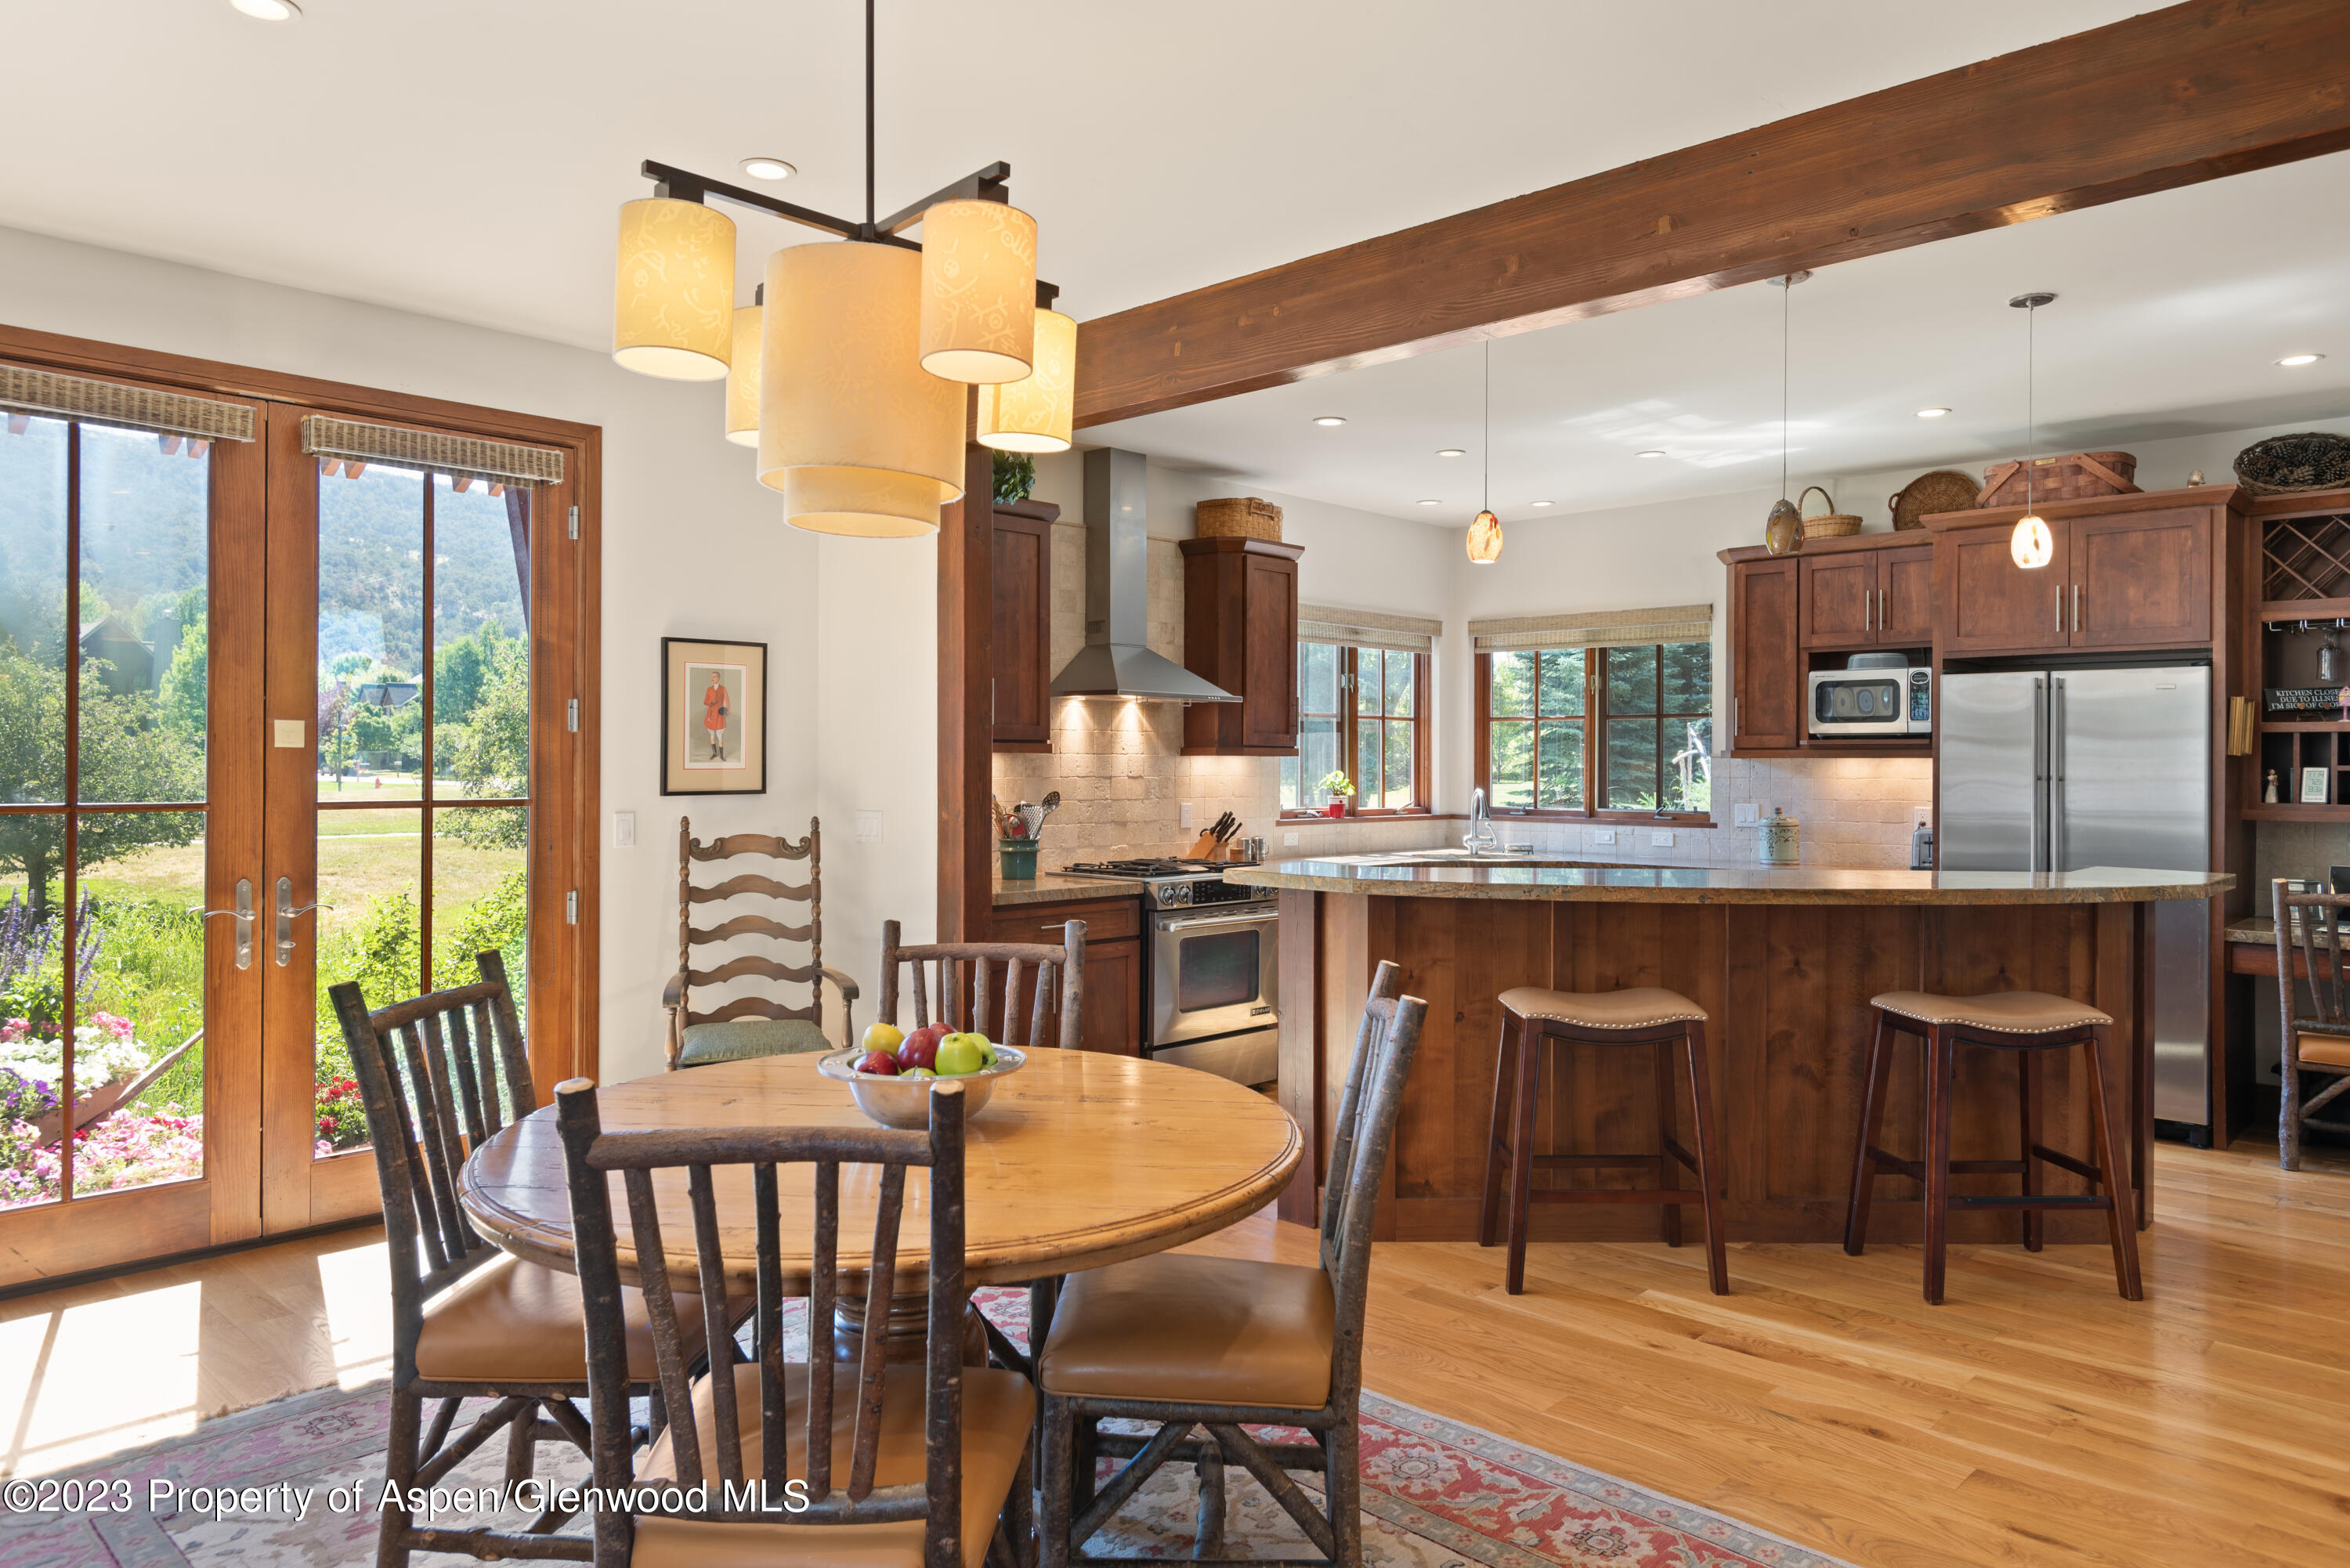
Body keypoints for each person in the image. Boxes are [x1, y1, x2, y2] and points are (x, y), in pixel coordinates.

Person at [701, 672, 728, 763]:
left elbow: (727, 702)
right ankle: (714, 753)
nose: (712, 678)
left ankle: (721, 756)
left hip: (720, 715)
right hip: (711, 715)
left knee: (720, 735)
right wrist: (711, 703)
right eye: (712, 677)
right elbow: (705, 701)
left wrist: (726, 712)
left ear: (718, 678)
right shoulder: (709, 689)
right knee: (712, 734)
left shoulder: (723, 689)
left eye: (714, 677)